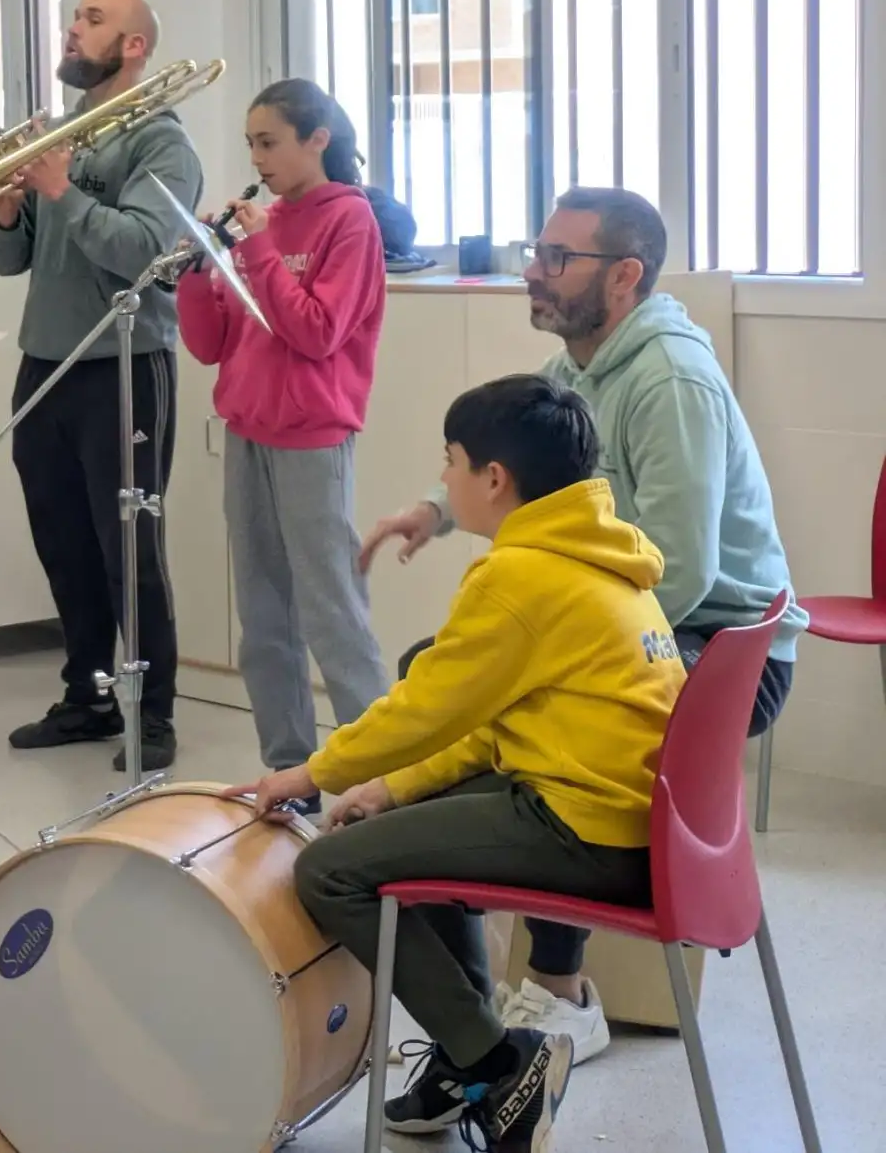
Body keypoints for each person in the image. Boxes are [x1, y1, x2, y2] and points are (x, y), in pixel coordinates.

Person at [360, 185, 801, 1060]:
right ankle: (474, 970)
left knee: (546, 710)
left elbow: (684, 567)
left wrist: (567, 660)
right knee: (431, 667)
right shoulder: (582, 368)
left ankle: (557, 991)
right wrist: (433, 512)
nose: (535, 270)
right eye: (538, 250)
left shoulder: (668, 380)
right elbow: (519, 460)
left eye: (558, 258)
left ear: (625, 276)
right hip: (647, 624)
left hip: (721, 649)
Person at [236, 374, 684, 1152]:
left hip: (587, 830)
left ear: (494, 478)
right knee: (408, 812)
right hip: (621, 817)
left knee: (329, 872)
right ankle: (465, 1056)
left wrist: (310, 775)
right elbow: (486, 720)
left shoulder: (521, 576)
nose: (443, 479)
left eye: (450, 460)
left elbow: (424, 710)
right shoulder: (597, 552)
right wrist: (391, 787)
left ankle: (496, 1062)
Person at [0, 0, 203, 773]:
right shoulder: (62, 137)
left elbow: (141, 250)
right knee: (63, 542)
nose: (73, 30)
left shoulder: (162, 144)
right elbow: (12, 261)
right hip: (45, 360)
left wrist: (60, 191)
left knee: (129, 548)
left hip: (125, 364)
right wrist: (6, 215)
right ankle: (87, 696)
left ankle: (155, 714)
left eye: (93, 20)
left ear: (135, 46)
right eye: (75, 18)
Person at [176, 79, 389, 809]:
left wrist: (261, 251)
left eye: (269, 142)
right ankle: (290, 772)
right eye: (251, 145)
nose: (257, 159)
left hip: (311, 438)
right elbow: (211, 345)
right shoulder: (260, 228)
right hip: (248, 432)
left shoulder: (348, 221)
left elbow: (316, 332)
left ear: (317, 140)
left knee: (332, 611)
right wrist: (197, 274)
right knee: (264, 619)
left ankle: (380, 774)